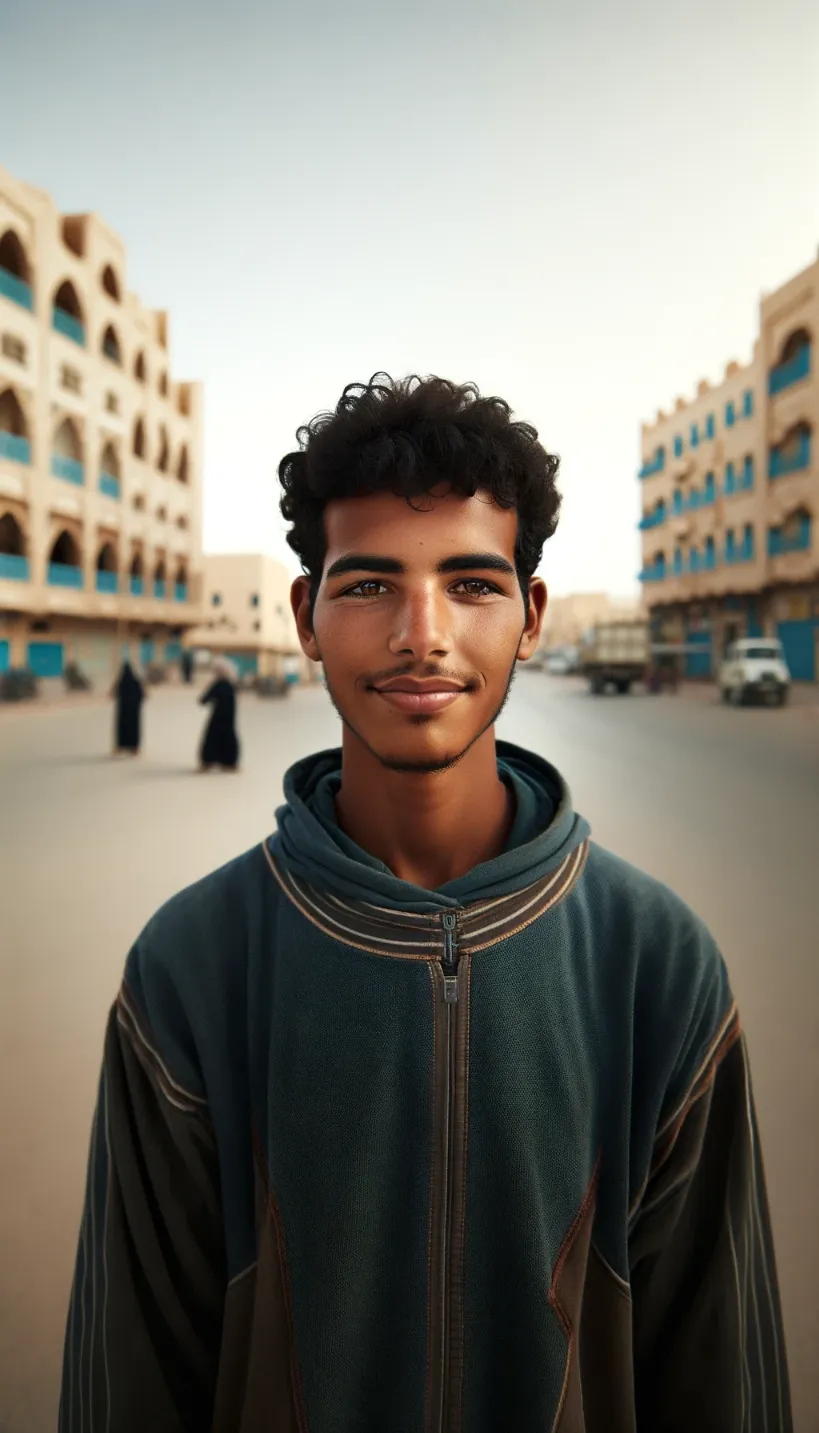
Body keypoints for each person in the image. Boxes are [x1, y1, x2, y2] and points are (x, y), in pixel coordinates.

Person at [60, 375, 791, 1433]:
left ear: (531, 616)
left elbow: (724, 1370)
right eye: (368, 586)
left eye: (471, 583)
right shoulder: (193, 967)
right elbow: (125, 1372)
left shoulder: (656, 964)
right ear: (308, 616)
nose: (421, 632)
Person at [198, 656, 240, 771]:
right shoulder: (230, 685)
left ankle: (208, 762)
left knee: (212, 740)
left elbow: (203, 700)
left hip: (217, 718)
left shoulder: (218, 684)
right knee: (228, 739)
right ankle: (229, 763)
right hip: (229, 719)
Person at [110, 657, 145, 755]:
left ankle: (120, 747)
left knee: (122, 729)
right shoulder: (137, 681)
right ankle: (134, 748)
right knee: (134, 729)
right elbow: (144, 694)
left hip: (123, 711)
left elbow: (112, 694)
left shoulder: (120, 682)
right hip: (134, 711)